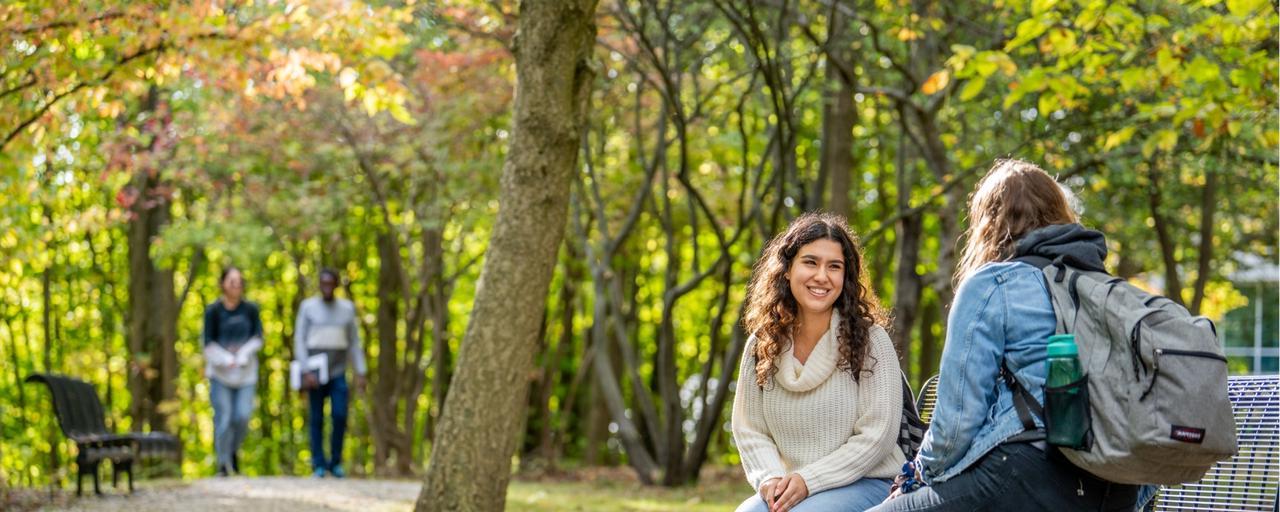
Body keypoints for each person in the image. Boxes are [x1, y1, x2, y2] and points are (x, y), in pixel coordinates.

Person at [869, 159, 1140, 511]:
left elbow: (955, 426)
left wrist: (915, 477)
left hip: (1032, 475)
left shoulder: (993, 284)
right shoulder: (1106, 287)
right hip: (1117, 485)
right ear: (1061, 213)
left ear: (988, 223)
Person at [732, 212, 904, 512]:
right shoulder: (762, 345)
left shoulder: (871, 341)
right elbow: (750, 429)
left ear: (845, 277)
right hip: (792, 484)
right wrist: (771, 478)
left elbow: (878, 437)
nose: (821, 276)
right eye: (810, 262)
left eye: (834, 267)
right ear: (787, 269)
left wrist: (809, 480)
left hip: (870, 484)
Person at [294, 268, 367, 478]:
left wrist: (360, 371)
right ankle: (318, 463)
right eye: (323, 283)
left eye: (330, 283)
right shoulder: (308, 307)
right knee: (316, 417)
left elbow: (354, 341)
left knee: (339, 414)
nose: (326, 287)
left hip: (337, 370)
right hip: (314, 373)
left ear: (336, 285)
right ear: (319, 284)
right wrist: (305, 369)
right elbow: (300, 338)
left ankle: (335, 462)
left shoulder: (346, 309)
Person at [202, 266, 264, 476]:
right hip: (220, 374)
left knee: (242, 416)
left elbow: (258, 338)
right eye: (231, 281)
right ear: (222, 284)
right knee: (224, 417)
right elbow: (207, 343)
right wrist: (226, 358)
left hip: (246, 374)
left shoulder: (251, 309)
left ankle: (231, 450)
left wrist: (244, 354)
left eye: (239, 281)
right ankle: (223, 464)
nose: (236, 285)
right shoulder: (213, 311)